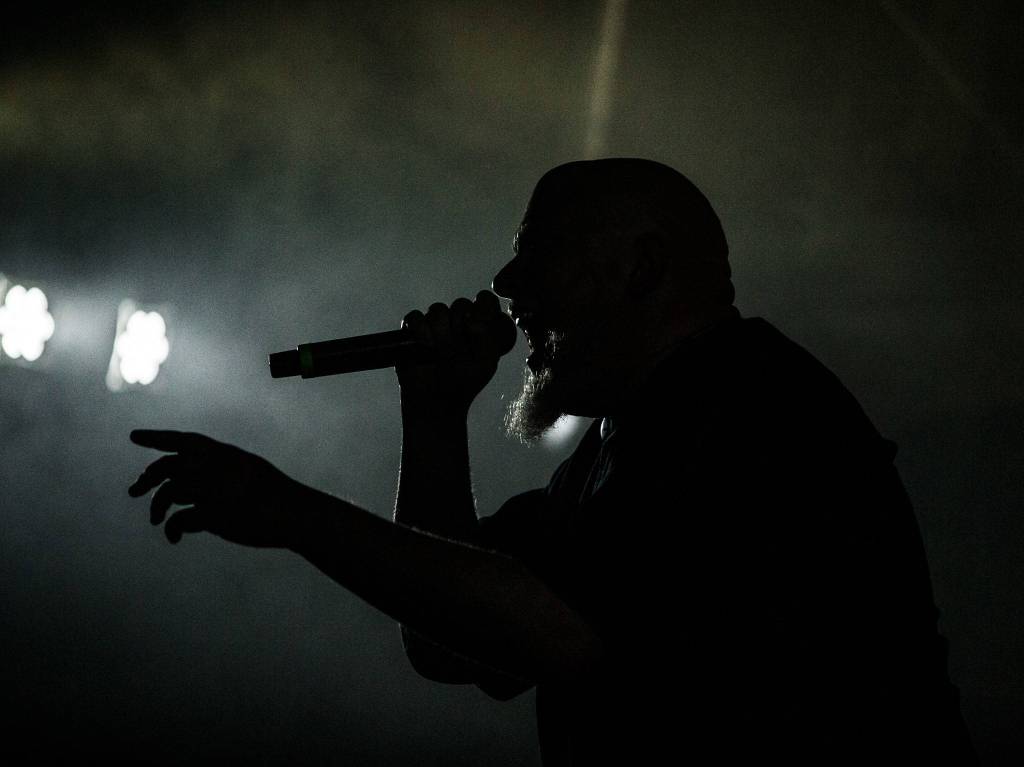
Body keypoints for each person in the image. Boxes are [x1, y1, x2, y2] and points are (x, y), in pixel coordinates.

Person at [128, 158, 976, 764]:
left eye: (539, 251)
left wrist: (293, 513)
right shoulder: (623, 440)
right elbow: (451, 643)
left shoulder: (752, 407)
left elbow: (561, 630)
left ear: (641, 266)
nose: (506, 283)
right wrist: (431, 415)